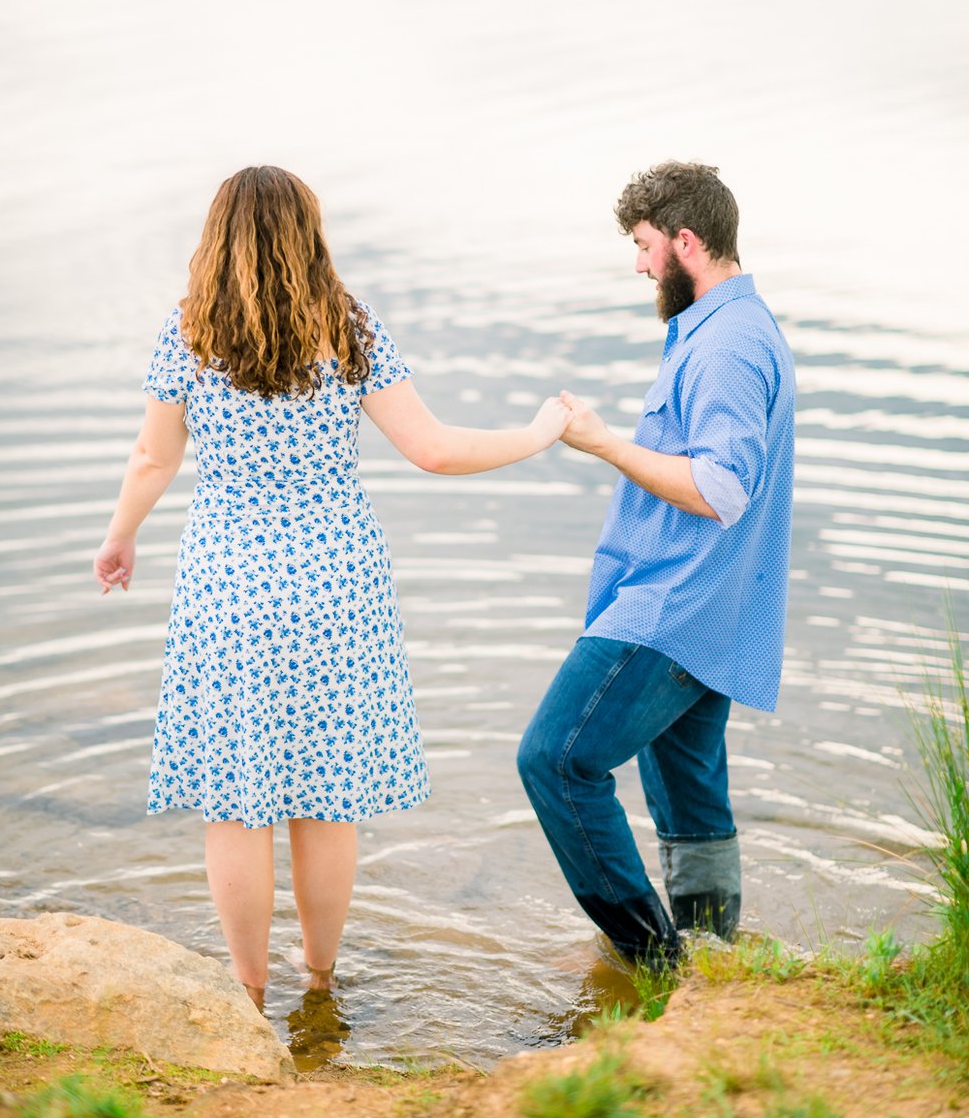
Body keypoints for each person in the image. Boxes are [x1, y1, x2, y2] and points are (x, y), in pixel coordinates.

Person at [93, 165, 570, 1008]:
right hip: (336, 583)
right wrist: (538, 432)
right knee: (328, 791)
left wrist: (120, 536)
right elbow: (433, 449)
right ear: (310, 236)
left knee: (238, 801)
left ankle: (247, 993)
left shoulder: (192, 330)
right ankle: (320, 981)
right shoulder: (350, 327)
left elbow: (152, 458)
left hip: (231, 582)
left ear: (217, 239)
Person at [517, 160, 794, 968]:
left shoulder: (727, 347)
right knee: (688, 794)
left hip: (671, 609)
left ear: (686, 241)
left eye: (644, 247)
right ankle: (711, 962)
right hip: (716, 613)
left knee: (556, 760)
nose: (640, 265)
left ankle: (654, 960)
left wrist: (604, 441)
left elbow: (719, 487)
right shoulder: (728, 329)